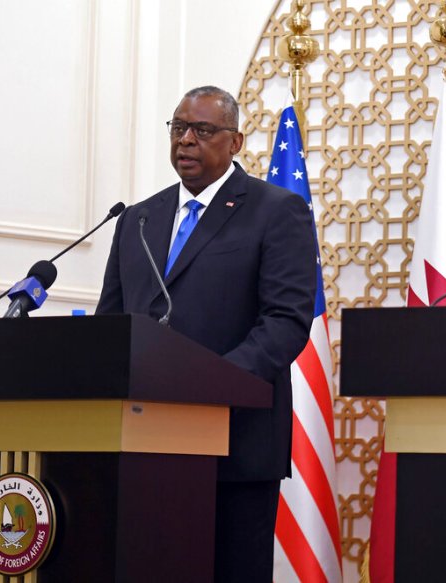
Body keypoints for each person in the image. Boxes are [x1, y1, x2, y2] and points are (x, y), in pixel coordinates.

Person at [96, 86, 317, 581]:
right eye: (178, 128)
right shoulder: (137, 218)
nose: (186, 140)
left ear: (236, 141)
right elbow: (110, 322)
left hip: (233, 444)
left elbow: (285, 321)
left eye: (203, 130)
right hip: (139, 444)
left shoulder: (275, 210)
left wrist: (213, 384)